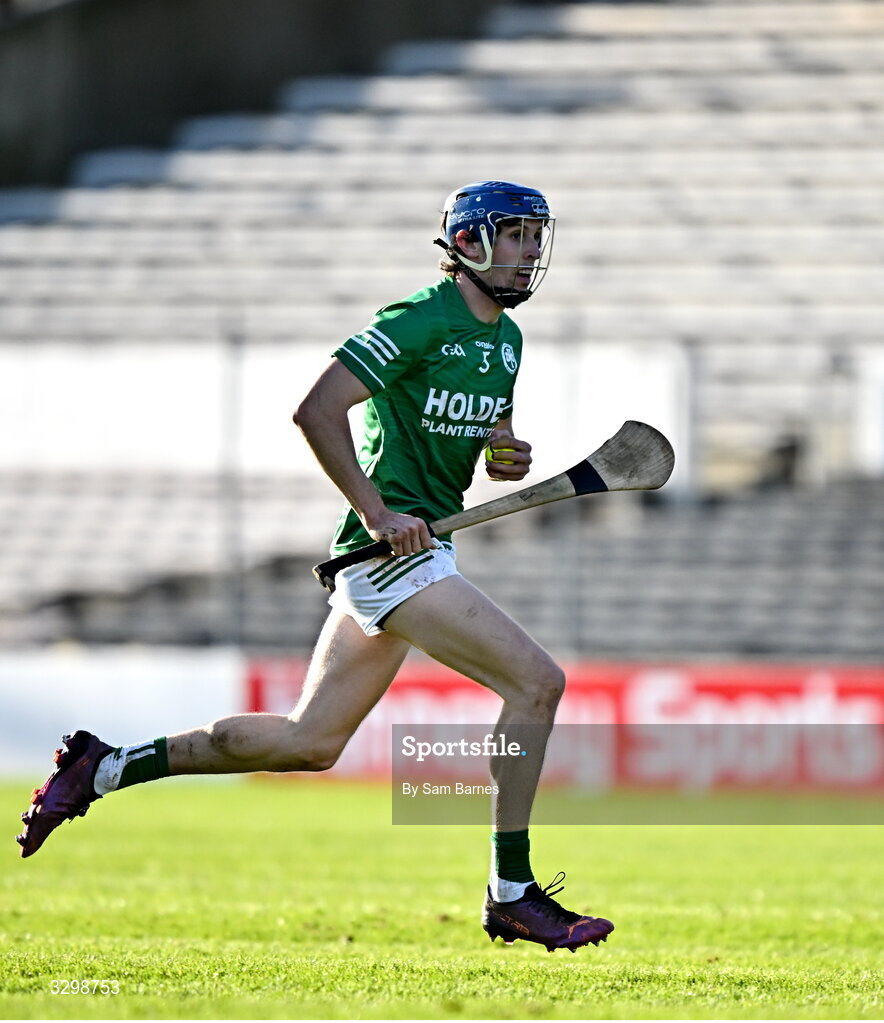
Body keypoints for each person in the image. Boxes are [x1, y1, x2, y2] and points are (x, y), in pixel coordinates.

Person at [17, 181, 613, 953]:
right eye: (518, 235)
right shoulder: (416, 319)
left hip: (424, 550)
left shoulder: (508, 340)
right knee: (537, 682)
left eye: (538, 236)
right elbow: (316, 410)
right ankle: (512, 890)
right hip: (389, 556)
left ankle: (100, 767)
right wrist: (376, 512)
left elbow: (487, 432)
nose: (532, 251)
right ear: (469, 242)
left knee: (308, 741)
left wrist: (504, 453)